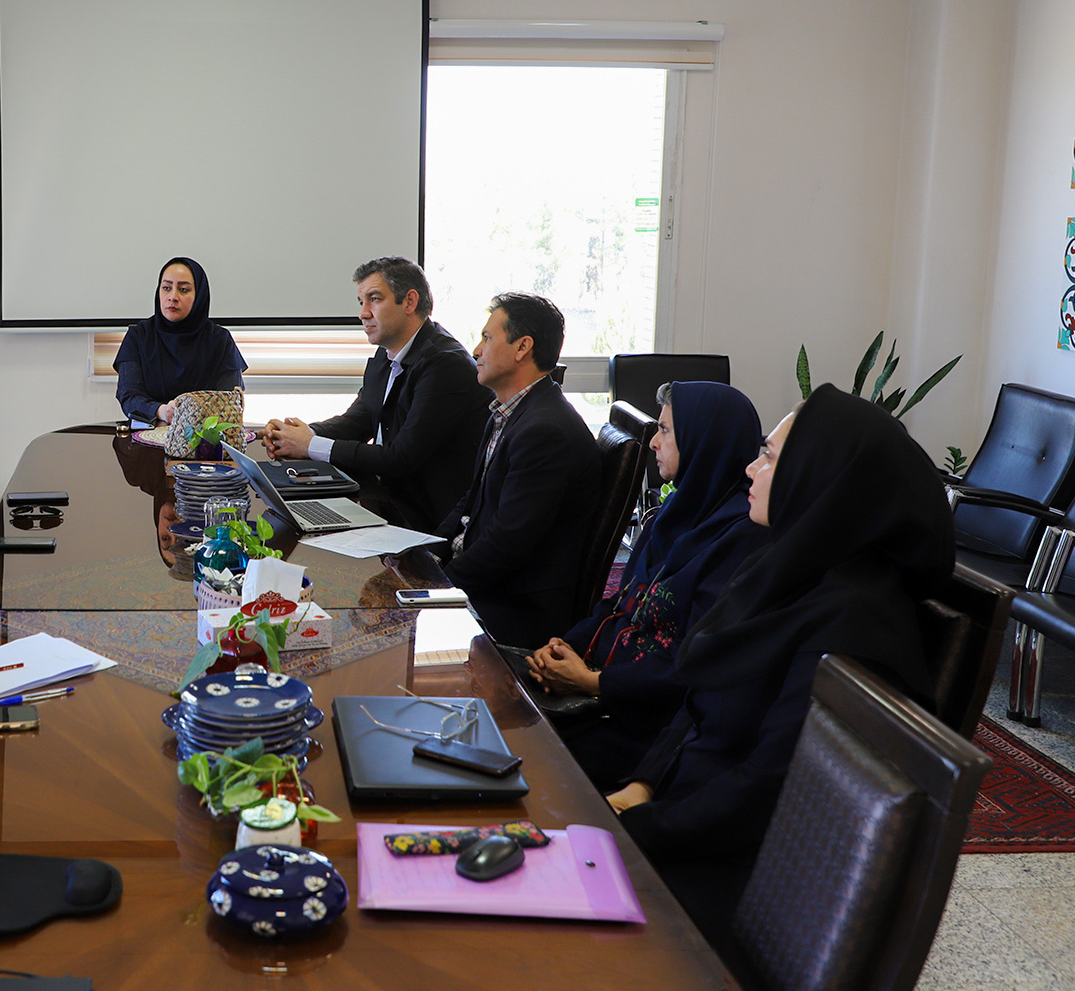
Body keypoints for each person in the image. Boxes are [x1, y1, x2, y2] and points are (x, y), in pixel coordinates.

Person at [605, 385, 949, 950]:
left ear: (819, 479)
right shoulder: (788, 567)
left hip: (733, 882)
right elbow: (700, 700)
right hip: (677, 818)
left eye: (767, 456)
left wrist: (634, 828)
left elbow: (767, 789)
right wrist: (640, 786)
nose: (750, 467)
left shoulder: (851, 624)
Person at [526, 381, 768, 790]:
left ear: (703, 441)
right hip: (599, 690)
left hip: (646, 729)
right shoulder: (672, 511)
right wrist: (562, 647)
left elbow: (691, 666)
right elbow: (620, 603)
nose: (654, 442)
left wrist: (592, 683)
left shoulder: (742, 541)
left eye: (666, 430)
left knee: (528, 760)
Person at [262, 257, 492, 532]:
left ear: (409, 302)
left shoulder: (445, 364)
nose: (363, 313)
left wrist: (310, 445)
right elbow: (359, 421)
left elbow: (399, 458)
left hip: (427, 523)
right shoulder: (387, 354)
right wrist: (297, 435)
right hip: (385, 503)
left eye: (374, 299)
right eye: (361, 302)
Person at [434, 292, 599, 647]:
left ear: (523, 347)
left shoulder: (546, 431)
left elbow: (508, 545)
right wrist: (430, 553)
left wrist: (439, 586)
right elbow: (473, 499)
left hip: (512, 609)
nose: (476, 350)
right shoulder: (510, 412)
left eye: (487, 338)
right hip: (485, 586)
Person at [114, 256, 246, 425]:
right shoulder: (139, 336)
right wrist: (161, 411)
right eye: (166, 288)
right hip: (148, 433)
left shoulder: (219, 339)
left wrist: (191, 415)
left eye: (183, 289)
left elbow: (230, 401)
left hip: (204, 436)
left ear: (199, 296)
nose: (172, 296)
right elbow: (129, 396)